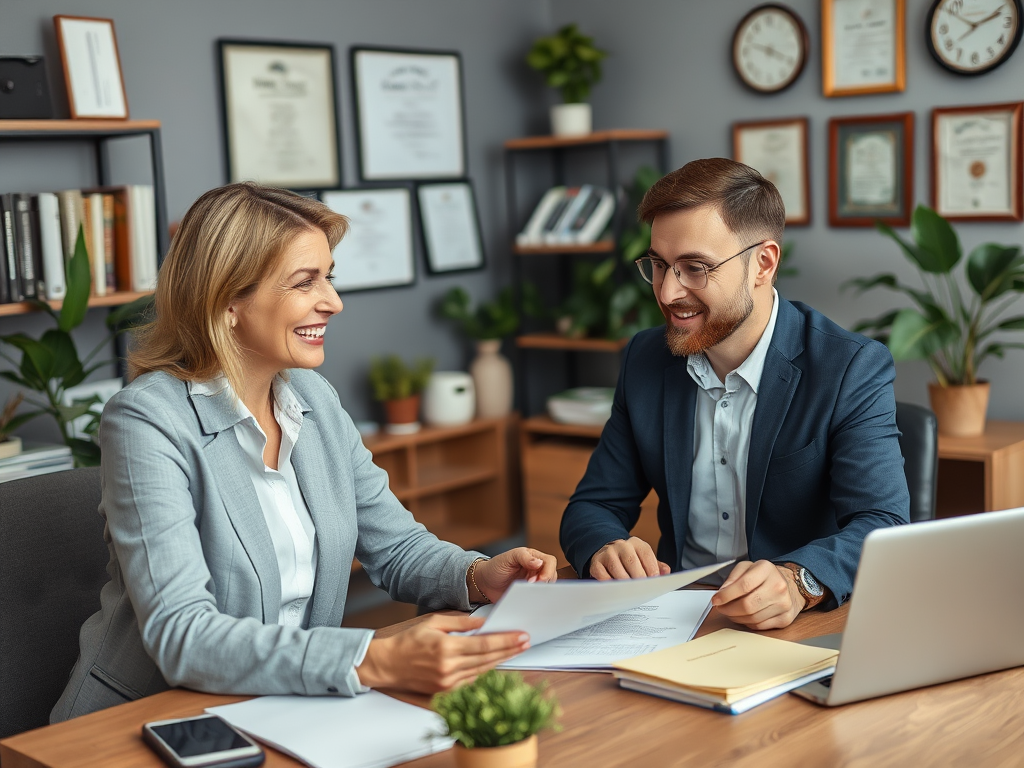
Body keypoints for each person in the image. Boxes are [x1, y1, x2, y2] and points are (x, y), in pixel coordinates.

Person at [52, 182, 556, 722]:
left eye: (329, 277)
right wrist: (371, 660)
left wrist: (476, 575)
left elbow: (398, 547)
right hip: (148, 722)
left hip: (284, 706)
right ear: (227, 302)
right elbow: (183, 634)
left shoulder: (311, 398)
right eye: (304, 282)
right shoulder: (148, 420)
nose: (333, 302)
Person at [559, 158, 909, 630]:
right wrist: (605, 546)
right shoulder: (646, 358)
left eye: (695, 268)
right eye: (659, 265)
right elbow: (593, 506)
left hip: (796, 625)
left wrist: (798, 581)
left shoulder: (848, 367)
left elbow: (881, 523)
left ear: (763, 263)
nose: (666, 292)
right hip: (673, 618)